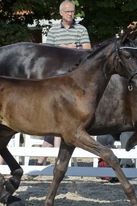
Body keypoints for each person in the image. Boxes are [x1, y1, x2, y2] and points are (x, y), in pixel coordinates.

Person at [36, 0, 91, 165]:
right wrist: (71, 46)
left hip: (76, 77)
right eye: (67, 11)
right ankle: (43, 158)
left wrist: (63, 48)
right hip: (57, 78)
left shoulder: (81, 29)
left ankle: (44, 159)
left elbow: (88, 49)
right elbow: (48, 53)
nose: (70, 14)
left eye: (73, 11)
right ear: (60, 13)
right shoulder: (53, 30)